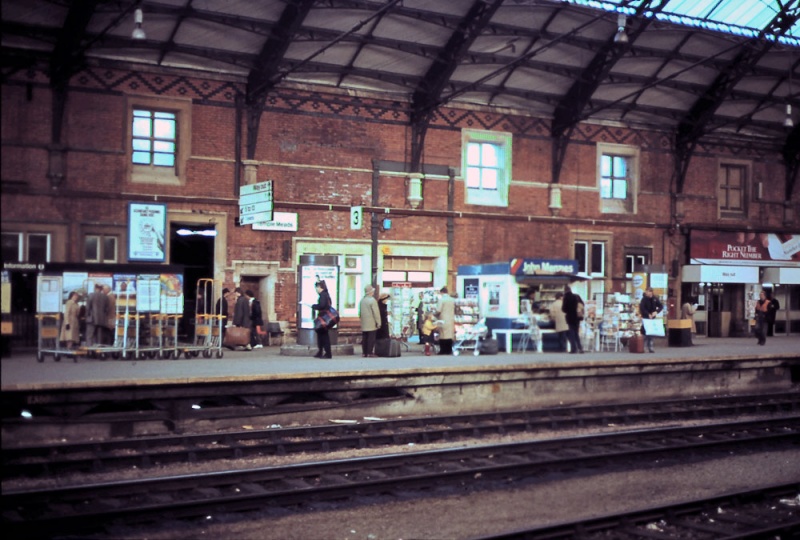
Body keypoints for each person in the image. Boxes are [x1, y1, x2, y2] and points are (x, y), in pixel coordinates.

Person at [311, 280, 333, 359]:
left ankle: (327, 353)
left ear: (320, 287)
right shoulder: (326, 294)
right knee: (321, 335)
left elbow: (322, 305)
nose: (316, 289)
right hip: (324, 318)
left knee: (324, 336)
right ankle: (320, 351)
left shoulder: (323, 295)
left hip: (323, 319)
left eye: (317, 287)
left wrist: (314, 306)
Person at [639, 287, 663, 353]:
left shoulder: (655, 299)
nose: (646, 293)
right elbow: (642, 308)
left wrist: (656, 312)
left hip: (652, 318)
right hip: (646, 318)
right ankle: (643, 347)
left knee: (651, 333)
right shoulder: (644, 299)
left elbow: (661, 306)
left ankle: (650, 347)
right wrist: (647, 314)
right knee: (645, 332)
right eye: (646, 292)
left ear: (651, 292)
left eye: (648, 292)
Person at [562, 285, 584, 354]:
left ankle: (573, 349)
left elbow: (564, 309)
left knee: (571, 333)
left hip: (570, 317)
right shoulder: (576, 296)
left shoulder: (566, 298)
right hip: (577, 318)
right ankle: (580, 348)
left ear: (565, 290)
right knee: (576, 333)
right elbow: (582, 304)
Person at [359, 285, 381, 357]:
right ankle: (369, 352)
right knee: (371, 338)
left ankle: (364, 352)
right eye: (372, 291)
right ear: (370, 292)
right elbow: (376, 313)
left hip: (364, 322)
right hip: (371, 322)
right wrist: (378, 322)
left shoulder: (362, 300)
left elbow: (360, 313)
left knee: (364, 338)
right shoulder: (372, 300)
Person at [85, 283, 110, 347]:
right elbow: (107, 310)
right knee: (99, 337)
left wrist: (86, 316)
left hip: (92, 319)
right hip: (101, 320)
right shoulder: (105, 297)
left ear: (95, 288)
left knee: (89, 336)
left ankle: (90, 351)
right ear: (101, 289)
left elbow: (87, 308)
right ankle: (98, 351)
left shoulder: (91, 295)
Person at [436, 286, 455, 355]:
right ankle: (449, 350)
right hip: (450, 319)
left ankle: (443, 350)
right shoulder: (452, 300)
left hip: (443, 319)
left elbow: (438, 310)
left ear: (442, 292)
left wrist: (435, 315)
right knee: (449, 335)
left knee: (442, 335)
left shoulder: (441, 300)